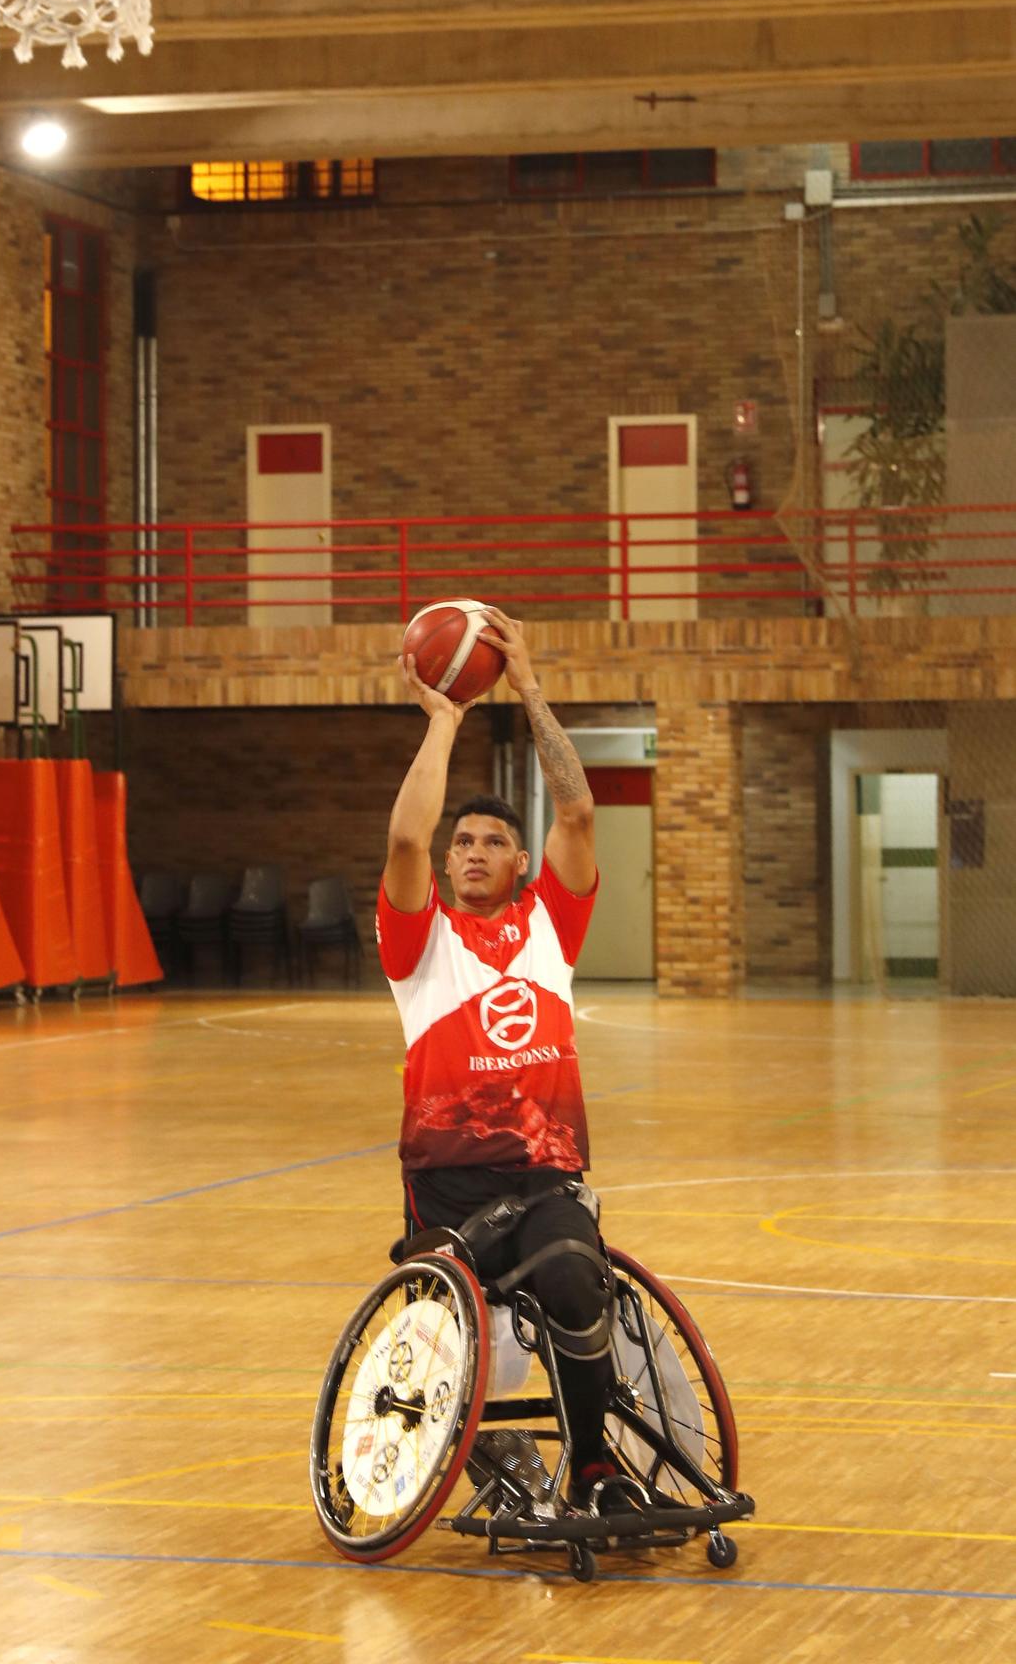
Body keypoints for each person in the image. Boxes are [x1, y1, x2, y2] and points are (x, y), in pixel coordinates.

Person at [375, 605, 620, 1509]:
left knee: (569, 1277)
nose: (471, 851)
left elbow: (581, 809)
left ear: (522, 862)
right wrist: (444, 719)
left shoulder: (550, 927)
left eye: (491, 841)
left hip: (546, 1175)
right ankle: (458, 1451)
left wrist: (527, 689)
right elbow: (405, 839)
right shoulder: (418, 944)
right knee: (445, 1333)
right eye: (462, 842)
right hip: (447, 1185)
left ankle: (592, 1466)